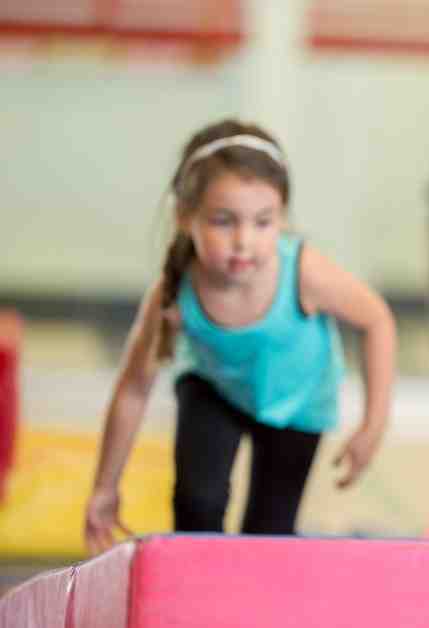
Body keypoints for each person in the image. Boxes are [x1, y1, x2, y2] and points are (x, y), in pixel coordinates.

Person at [84, 119, 396, 554]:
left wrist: (373, 424)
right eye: (223, 221)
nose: (243, 241)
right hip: (216, 388)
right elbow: (134, 388)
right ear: (185, 218)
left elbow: (377, 318)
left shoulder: (303, 272)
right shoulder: (174, 291)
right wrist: (105, 487)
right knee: (197, 502)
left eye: (262, 222)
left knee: (266, 535)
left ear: (281, 218)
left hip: (296, 402)